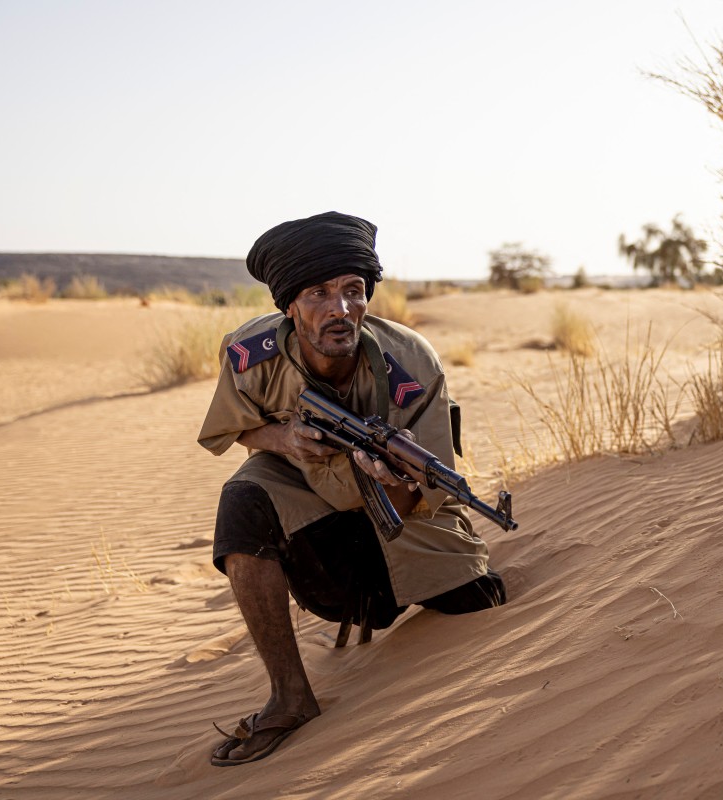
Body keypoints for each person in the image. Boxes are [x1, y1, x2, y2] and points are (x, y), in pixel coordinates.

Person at [197, 211, 506, 767]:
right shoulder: (250, 353)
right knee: (242, 499)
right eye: (318, 293)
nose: (340, 309)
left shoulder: (411, 362)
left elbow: (428, 495)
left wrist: (392, 481)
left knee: (481, 604)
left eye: (353, 290)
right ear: (289, 307)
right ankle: (289, 697)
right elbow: (231, 427)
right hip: (307, 496)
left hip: (402, 521)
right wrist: (286, 438)